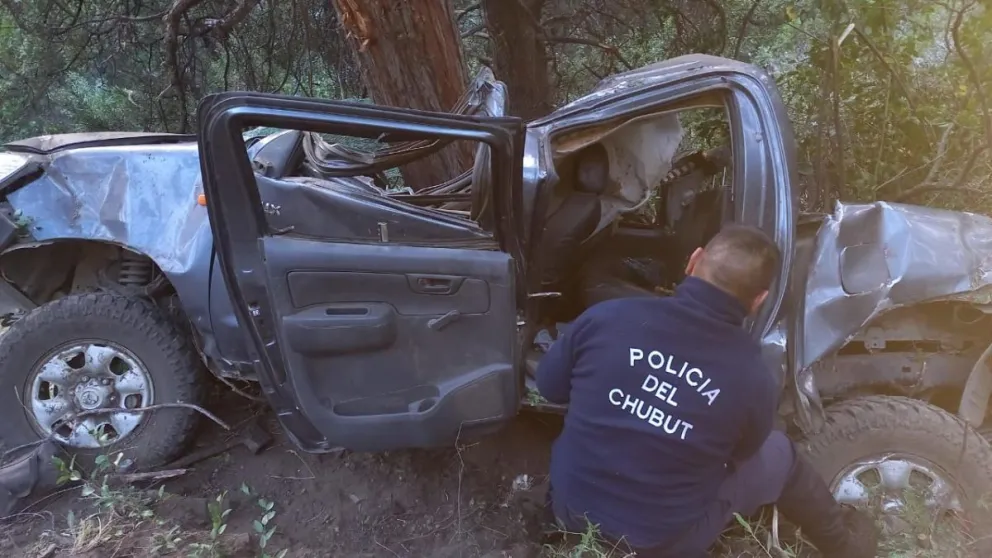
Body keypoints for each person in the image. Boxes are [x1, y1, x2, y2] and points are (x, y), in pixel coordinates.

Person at [536, 224, 878, 558]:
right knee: (779, 454)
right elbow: (741, 453)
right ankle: (847, 548)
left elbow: (550, 387)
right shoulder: (754, 379)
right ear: (758, 300)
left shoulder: (606, 318)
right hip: (661, 545)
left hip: (570, 513)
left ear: (693, 261)